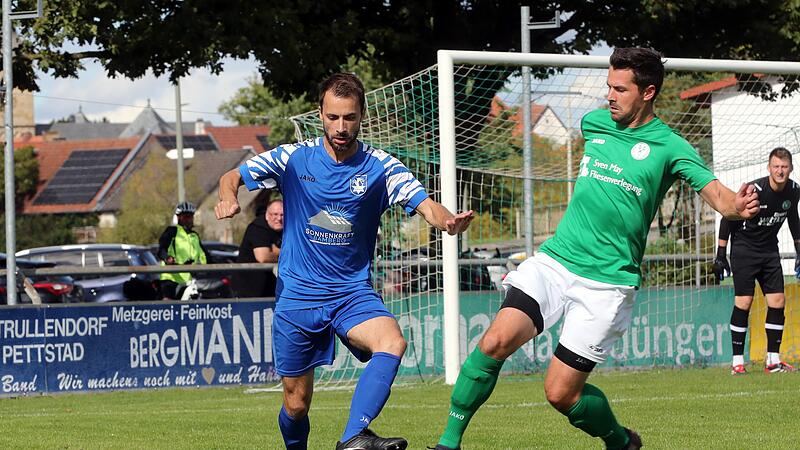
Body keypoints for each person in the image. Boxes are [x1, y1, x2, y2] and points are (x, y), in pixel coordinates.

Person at [432, 47, 760, 450]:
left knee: (560, 393)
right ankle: (448, 444)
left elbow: (721, 199)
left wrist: (739, 206)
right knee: (494, 341)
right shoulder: (594, 124)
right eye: (608, 87)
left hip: (607, 283)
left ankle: (620, 441)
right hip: (556, 262)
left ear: (649, 92)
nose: (609, 96)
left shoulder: (671, 147)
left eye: (620, 89)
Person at [215, 72, 474, 450]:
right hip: (298, 295)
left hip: (350, 292)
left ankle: (353, 436)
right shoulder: (293, 158)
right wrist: (228, 197)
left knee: (392, 342)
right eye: (333, 117)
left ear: (362, 116)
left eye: (349, 117)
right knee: (296, 404)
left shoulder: (381, 167)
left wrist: (447, 221)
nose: (341, 127)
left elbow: (426, 205)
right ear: (320, 113)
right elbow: (232, 176)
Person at [713, 147, 799, 375]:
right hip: (744, 250)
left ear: (790, 168)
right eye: (776, 166)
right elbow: (728, 217)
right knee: (744, 302)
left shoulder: (793, 190)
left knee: (778, 301)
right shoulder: (754, 191)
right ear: (769, 168)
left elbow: (794, 221)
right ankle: (737, 363)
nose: (780, 171)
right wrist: (721, 255)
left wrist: (799, 252)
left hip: (770, 250)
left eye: (784, 167)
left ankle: (773, 361)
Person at [232, 197, 284, 298]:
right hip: (248, 290)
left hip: (271, 291)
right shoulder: (257, 228)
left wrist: (277, 252)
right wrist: (286, 255)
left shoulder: (287, 229)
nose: (279, 218)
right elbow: (263, 257)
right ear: (267, 215)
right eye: (275, 214)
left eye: (282, 215)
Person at [157, 201, 209, 299]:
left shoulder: (195, 236)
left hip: (190, 279)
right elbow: (161, 249)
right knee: (168, 305)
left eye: (190, 217)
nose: (188, 220)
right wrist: (167, 258)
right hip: (171, 278)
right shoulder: (172, 231)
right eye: (185, 217)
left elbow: (205, 256)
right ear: (178, 218)